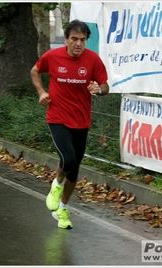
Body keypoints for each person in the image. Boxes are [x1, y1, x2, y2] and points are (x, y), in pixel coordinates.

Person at [30, 19, 109, 229]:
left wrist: (98, 90)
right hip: (57, 117)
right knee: (68, 158)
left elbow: (105, 85)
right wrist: (41, 92)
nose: (78, 43)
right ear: (66, 39)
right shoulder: (53, 56)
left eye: (82, 40)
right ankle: (56, 185)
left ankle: (62, 208)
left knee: (74, 170)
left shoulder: (93, 60)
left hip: (81, 120)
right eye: (74, 39)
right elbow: (35, 71)